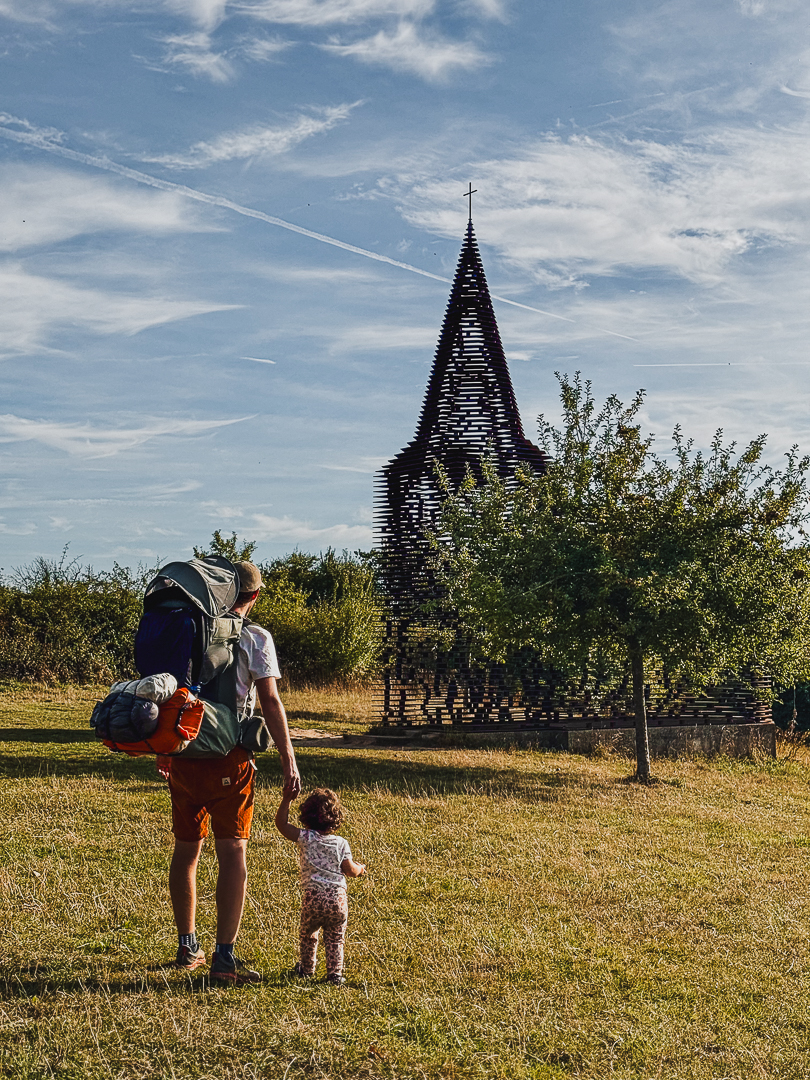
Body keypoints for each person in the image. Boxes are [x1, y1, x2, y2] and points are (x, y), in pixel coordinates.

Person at [167, 560, 301, 984]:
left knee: (187, 851)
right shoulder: (255, 637)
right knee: (233, 853)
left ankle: (188, 948)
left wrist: (164, 750)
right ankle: (225, 959)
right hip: (231, 759)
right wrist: (288, 757)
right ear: (255, 596)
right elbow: (271, 701)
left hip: (184, 755)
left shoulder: (189, 632)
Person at [275, 786, 365, 985]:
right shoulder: (341, 843)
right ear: (336, 817)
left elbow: (281, 825)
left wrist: (286, 800)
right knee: (335, 938)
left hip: (312, 897)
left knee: (308, 934)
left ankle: (307, 969)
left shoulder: (305, 838)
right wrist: (360, 869)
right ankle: (335, 974)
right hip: (337, 899)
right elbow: (349, 870)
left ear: (306, 816)